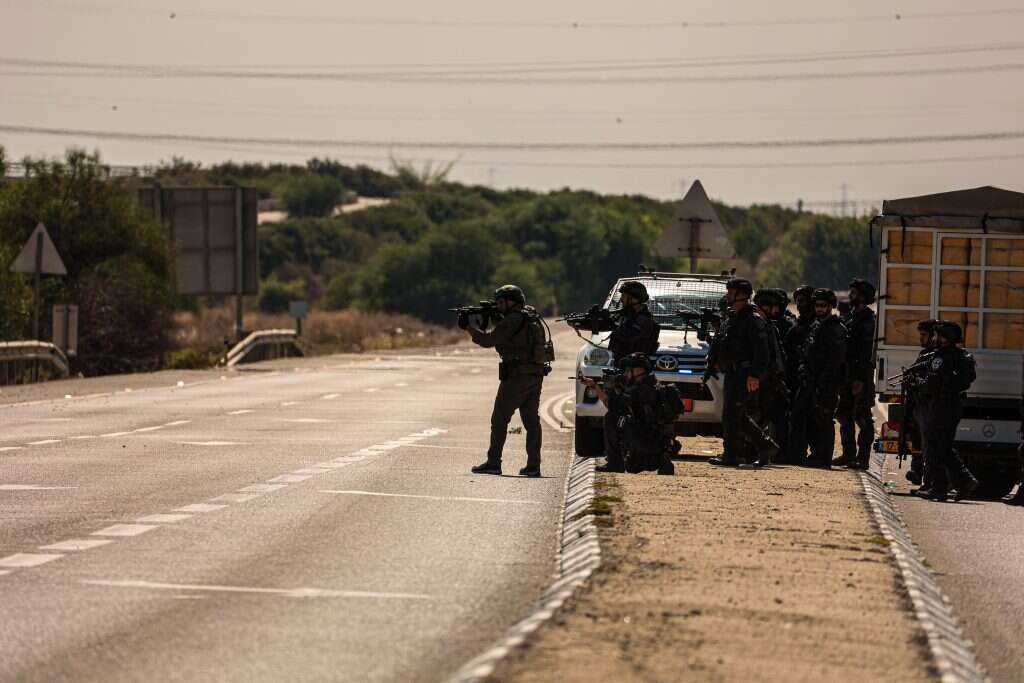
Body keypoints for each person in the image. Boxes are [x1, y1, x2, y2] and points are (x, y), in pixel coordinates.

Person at [461, 285, 548, 477]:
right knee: (531, 421)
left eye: (502, 302)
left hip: (517, 377)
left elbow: (488, 341)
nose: (499, 306)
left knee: (499, 418)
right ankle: (533, 466)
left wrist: (468, 327)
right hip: (535, 374)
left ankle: (493, 462)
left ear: (512, 302)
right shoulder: (529, 316)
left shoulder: (514, 319)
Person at [709, 278, 777, 468]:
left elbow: (762, 352)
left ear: (743, 296)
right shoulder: (734, 318)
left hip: (745, 374)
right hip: (732, 372)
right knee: (735, 414)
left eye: (732, 293)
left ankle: (732, 455)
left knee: (733, 414)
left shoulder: (753, 320)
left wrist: (755, 375)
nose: (728, 296)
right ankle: (765, 446)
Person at [916, 321, 979, 501]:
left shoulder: (940, 358)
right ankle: (960, 482)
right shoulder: (963, 356)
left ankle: (943, 487)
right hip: (953, 406)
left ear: (947, 338)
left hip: (940, 406)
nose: (935, 339)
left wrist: (918, 383)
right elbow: (968, 379)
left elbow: (931, 383)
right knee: (943, 447)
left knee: (936, 447)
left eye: (939, 336)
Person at [585, 353, 676, 475]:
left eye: (628, 370)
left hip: (646, 441)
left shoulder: (640, 391)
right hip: (661, 443)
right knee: (632, 466)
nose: (626, 374)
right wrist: (596, 386)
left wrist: (609, 388)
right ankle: (662, 459)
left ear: (639, 370)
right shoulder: (655, 386)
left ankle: (614, 464)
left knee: (611, 418)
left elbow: (612, 406)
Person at [800, 289, 847, 468]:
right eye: (817, 306)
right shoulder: (817, 326)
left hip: (827, 383)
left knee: (825, 419)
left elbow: (835, 361)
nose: (819, 309)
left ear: (830, 307)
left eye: (823, 306)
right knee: (812, 418)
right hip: (813, 380)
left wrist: (824, 382)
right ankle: (817, 453)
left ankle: (824, 457)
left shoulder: (836, 329)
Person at [835, 279, 878, 470]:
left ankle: (863, 458)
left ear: (862, 296)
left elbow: (866, 352)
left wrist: (859, 379)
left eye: (853, 293)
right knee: (844, 415)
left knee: (862, 417)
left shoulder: (869, 321)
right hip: (846, 374)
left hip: (861, 376)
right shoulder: (851, 317)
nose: (850, 296)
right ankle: (848, 454)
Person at [783, 285, 816, 464]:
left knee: (810, 418)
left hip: (811, 379)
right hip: (795, 377)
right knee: (796, 418)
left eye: (803, 301)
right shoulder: (797, 325)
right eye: (798, 301)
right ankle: (797, 454)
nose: (800, 304)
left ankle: (813, 454)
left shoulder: (817, 326)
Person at [905, 319, 939, 488]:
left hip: (928, 405)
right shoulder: (925, 354)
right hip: (919, 404)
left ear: (934, 336)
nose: (921, 339)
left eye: (924, 335)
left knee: (929, 442)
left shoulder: (936, 356)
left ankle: (929, 480)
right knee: (917, 438)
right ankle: (917, 472)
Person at [608, 281, 661, 362]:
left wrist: (612, 326)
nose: (621, 300)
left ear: (633, 299)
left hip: (634, 367)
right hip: (623, 364)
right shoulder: (628, 315)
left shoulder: (644, 320)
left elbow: (628, 336)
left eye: (624, 296)